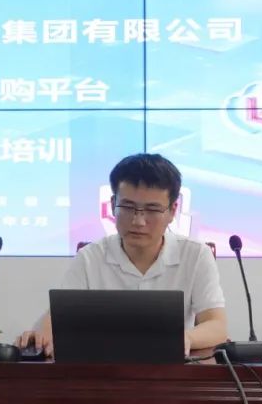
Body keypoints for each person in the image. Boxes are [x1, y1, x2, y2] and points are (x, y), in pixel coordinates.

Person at [17, 153, 227, 358]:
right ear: (112, 204)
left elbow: (217, 326)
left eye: (152, 210)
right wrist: (41, 336)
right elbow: (57, 319)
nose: (138, 221)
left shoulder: (196, 255)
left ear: (172, 211)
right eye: (127, 207)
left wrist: (184, 338)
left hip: (171, 373)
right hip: (102, 371)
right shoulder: (89, 257)